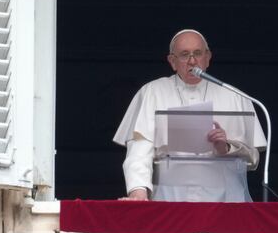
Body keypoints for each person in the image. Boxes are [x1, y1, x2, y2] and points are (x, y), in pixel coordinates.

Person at [113, 29, 266, 201]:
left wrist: (227, 147)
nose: (192, 61)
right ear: (172, 61)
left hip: (227, 199)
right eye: (184, 55)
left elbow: (253, 158)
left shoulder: (235, 96)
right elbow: (139, 150)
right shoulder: (153, 92)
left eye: (198, 53)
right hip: (170, 197)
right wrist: (138, 191)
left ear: (208, 57)